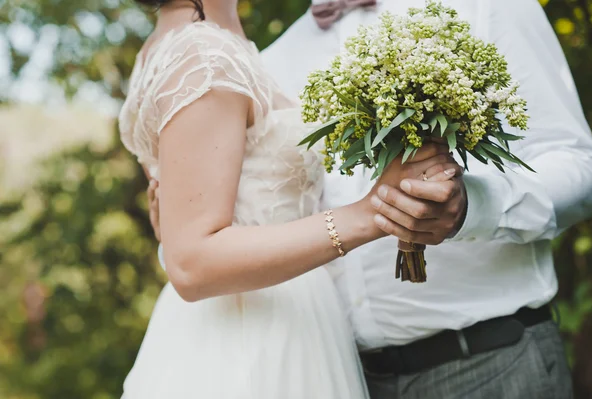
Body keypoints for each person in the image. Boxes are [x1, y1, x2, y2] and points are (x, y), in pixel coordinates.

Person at [145, 0, 592, 398]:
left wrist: (474, 208)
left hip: (491, 363)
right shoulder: (271, 59)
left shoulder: (484, 5)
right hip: (336, 372)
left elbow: (578, 166)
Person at [119, 0, 461, 398]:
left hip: (243, 320)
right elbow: (192, 260)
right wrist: (371, 214)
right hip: (255, 341)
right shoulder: (204, 55)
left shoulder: (169, 46)